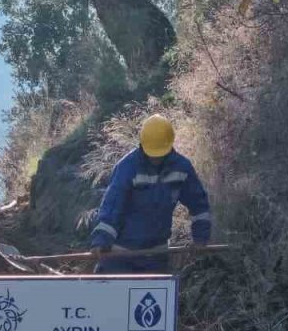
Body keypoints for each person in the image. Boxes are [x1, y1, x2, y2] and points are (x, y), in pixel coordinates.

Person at [89, 114, 212, 273]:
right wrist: (101, 240)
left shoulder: (182, 168)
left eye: (160, 155)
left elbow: (199, 205)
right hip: (120, 255)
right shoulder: (128, 167)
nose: (155, 159)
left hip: (156, 255)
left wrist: (201, 237)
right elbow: (112, 206)